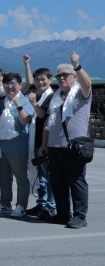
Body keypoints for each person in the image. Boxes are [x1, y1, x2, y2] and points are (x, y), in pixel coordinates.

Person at [39, 52, 92, 229]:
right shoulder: (56, 97)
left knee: (76, 182)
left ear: (73, 77)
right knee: (58, 183)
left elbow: (88, 84)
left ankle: (80, 216)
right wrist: (44, 144)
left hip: (74, 146)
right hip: (55, 147)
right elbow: (48, 122)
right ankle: (63, 214)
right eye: (58, 75)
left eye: (65, 75)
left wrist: (77, 65)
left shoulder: (80, 94)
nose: (61, 78)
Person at [0, 72, 34, 217]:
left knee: (21, 178)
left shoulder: (24, 100)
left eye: (13, 84)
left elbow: (24, 121)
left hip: (19, 147)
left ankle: (21, 205)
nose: (10, 87)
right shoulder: (2, 102)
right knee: (4, 177)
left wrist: (19, 106)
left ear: (20, 85)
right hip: (2, 148)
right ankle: (5, 204)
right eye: (7, 84)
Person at [22, 55, 56, 219]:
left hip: (46, 142)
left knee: (48, 175)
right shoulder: (41, 96)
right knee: (41, 175)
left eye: (43, 79)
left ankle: (50, 206)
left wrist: (34, 104)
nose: (40, 82)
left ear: (50, 80)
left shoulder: (52, 97)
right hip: (36, 141)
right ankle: (42, 203)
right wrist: (27, 65)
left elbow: (43, 115)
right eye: (37, 80)